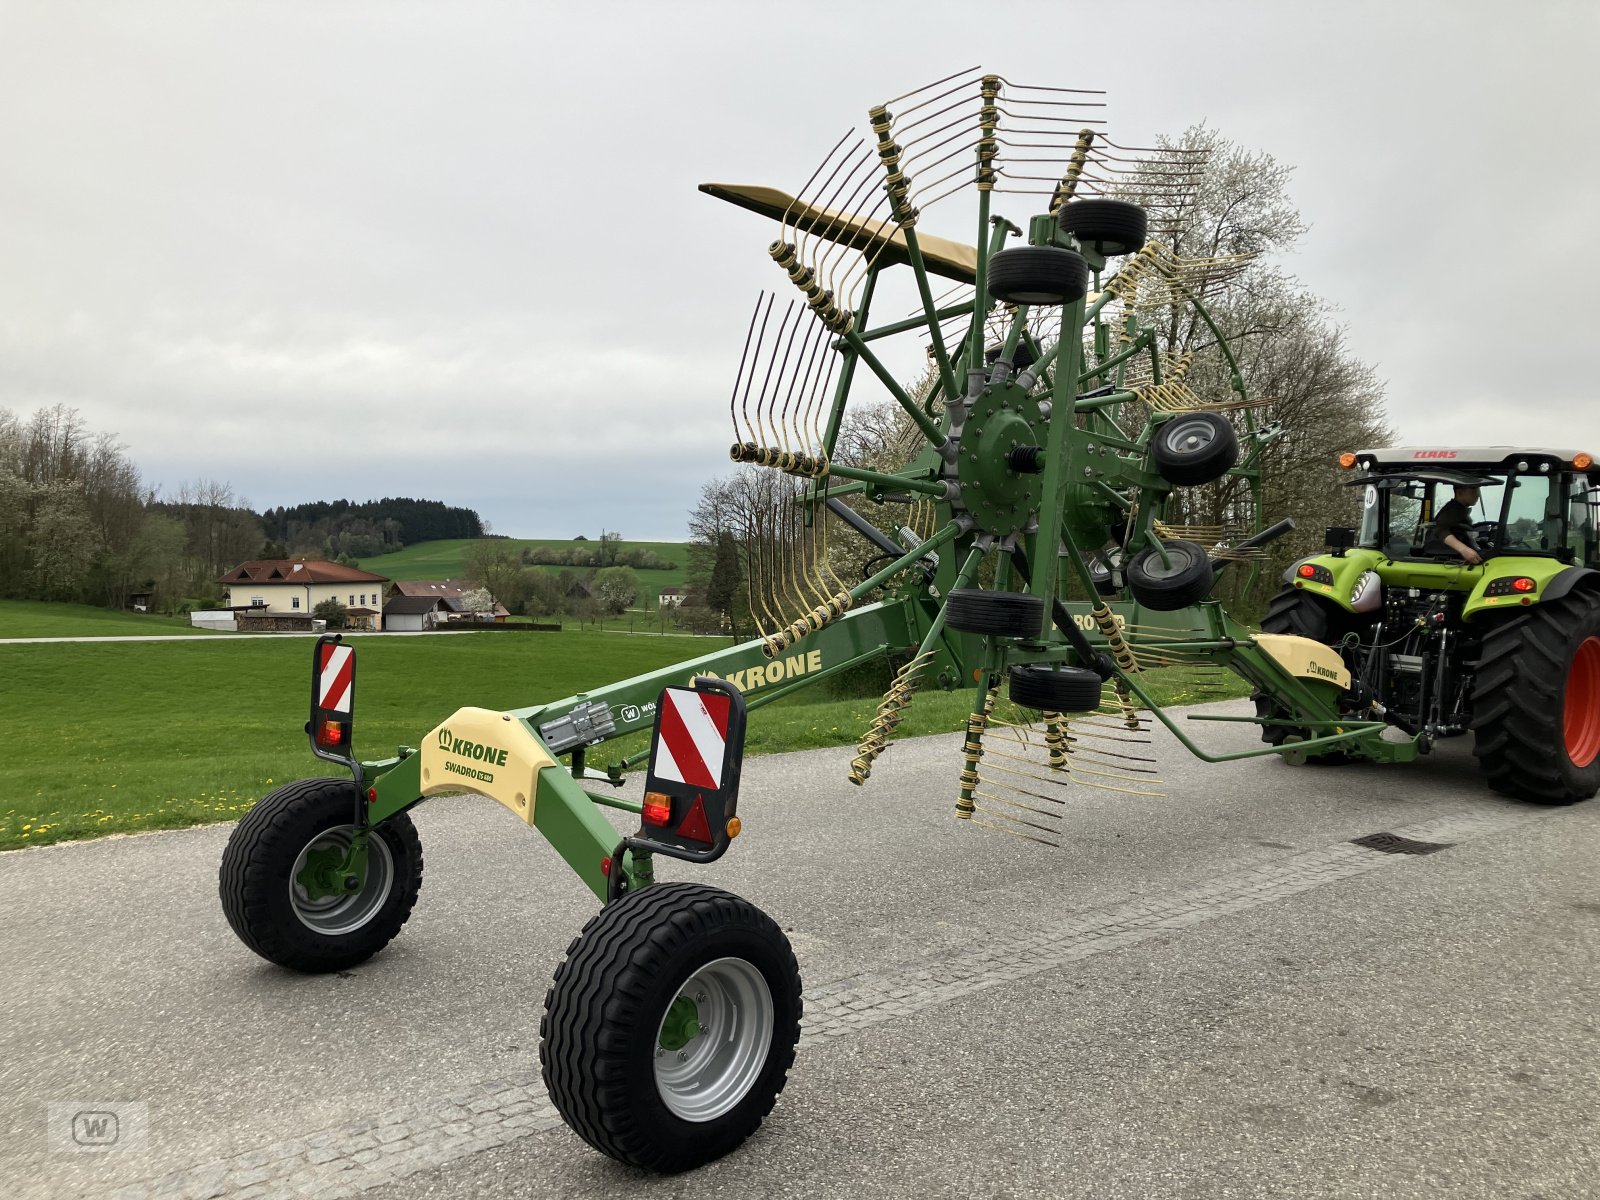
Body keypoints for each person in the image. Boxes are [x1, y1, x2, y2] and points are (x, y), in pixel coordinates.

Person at [1424, 484, 1484, 564]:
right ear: (1459, 492)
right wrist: (1464, 550)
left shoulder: (1460, 509)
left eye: (1478, 491)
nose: (1478, 495)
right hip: (1448, 560)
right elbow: (1440, 530)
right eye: (1473, 491)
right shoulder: (1453, 510)